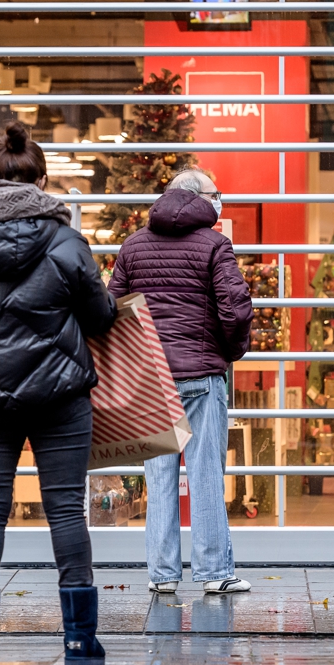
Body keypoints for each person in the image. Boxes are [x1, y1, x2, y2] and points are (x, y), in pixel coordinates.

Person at [0, 120, 117, 665]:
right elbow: (100, 317)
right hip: (61, 398)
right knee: (65, 510)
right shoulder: (66, 241)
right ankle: (81, 643)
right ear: (43, 179)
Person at [108, 167, 254, 594]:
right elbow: (237, 307)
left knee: (159, 478)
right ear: (195, 198)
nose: (219, 198)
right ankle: (213, 574)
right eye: (215, 192)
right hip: (201, 376)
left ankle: (163, 575)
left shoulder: (133, 246)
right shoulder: (214, 244)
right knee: (207, 473)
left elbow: (112, 309)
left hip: (152, 380)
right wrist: (228, 352)